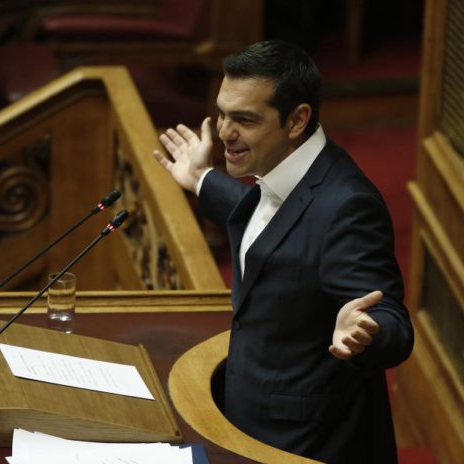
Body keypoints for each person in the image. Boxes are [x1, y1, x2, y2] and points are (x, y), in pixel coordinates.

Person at [153, 40, 414, 463]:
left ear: (296, 120)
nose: (224, 132)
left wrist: (364, 333)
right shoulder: (285, 171)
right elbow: (268, 222)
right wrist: (201, 179)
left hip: (303, 443)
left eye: (244, 119)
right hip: (247, 415)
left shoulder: (348, 206)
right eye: (222, 113)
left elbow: (394, 323)